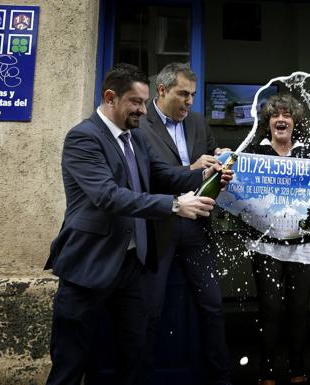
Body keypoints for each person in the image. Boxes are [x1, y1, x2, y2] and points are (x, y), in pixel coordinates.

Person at [44, 63, 230, 385]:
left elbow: (163, 174)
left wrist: (204, 175)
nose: (143, 111)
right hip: (88, 265)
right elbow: (110, 196)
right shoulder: (83, 138)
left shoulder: (136, 137)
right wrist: (174, 205)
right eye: (136, 102)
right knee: (70, 364)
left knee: (136, 354)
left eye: (145, 103)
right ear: (110, 98)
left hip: (132, 266)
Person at [138, 62, 232, 385]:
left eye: (192, 94)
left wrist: (221, 166)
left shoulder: (198, 123)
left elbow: (210, 164)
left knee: (213, 307)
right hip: (159, 226)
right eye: (182, 94)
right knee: (150, 312)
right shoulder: (141, 124)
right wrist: (195, 169)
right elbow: (152, 175)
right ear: (162, 91)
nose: (189, 101)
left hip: (196, 228)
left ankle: (220, 379)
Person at [245, 94, 310, 385]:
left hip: (303, 246)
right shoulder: (255, 154)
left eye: (286, 115)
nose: (280, 120)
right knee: (269, 309)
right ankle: (266, 372)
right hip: (266, 244)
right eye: (275, 116)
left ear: (295, 122)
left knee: (299, 310)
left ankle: (298, 371)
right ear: (268, 122)